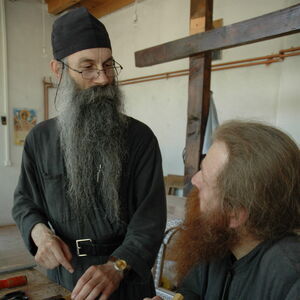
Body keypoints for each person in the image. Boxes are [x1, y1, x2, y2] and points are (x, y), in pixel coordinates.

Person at [12, 7, 166, 300]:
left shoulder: (140, 138)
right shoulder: (39, 139)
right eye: (87, 67)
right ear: (58, 70)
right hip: (64, 278)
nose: (103, 78)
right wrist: (40, 234)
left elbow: (150, 221)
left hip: (125, 279)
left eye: (108, 65)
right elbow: (24, 203)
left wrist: (117, 266)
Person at [145, 120, 300, 300]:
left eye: (205, 177)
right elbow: (192, 291)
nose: (195, 180)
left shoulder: (290, 279)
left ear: (235, 213)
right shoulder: (216, 240)